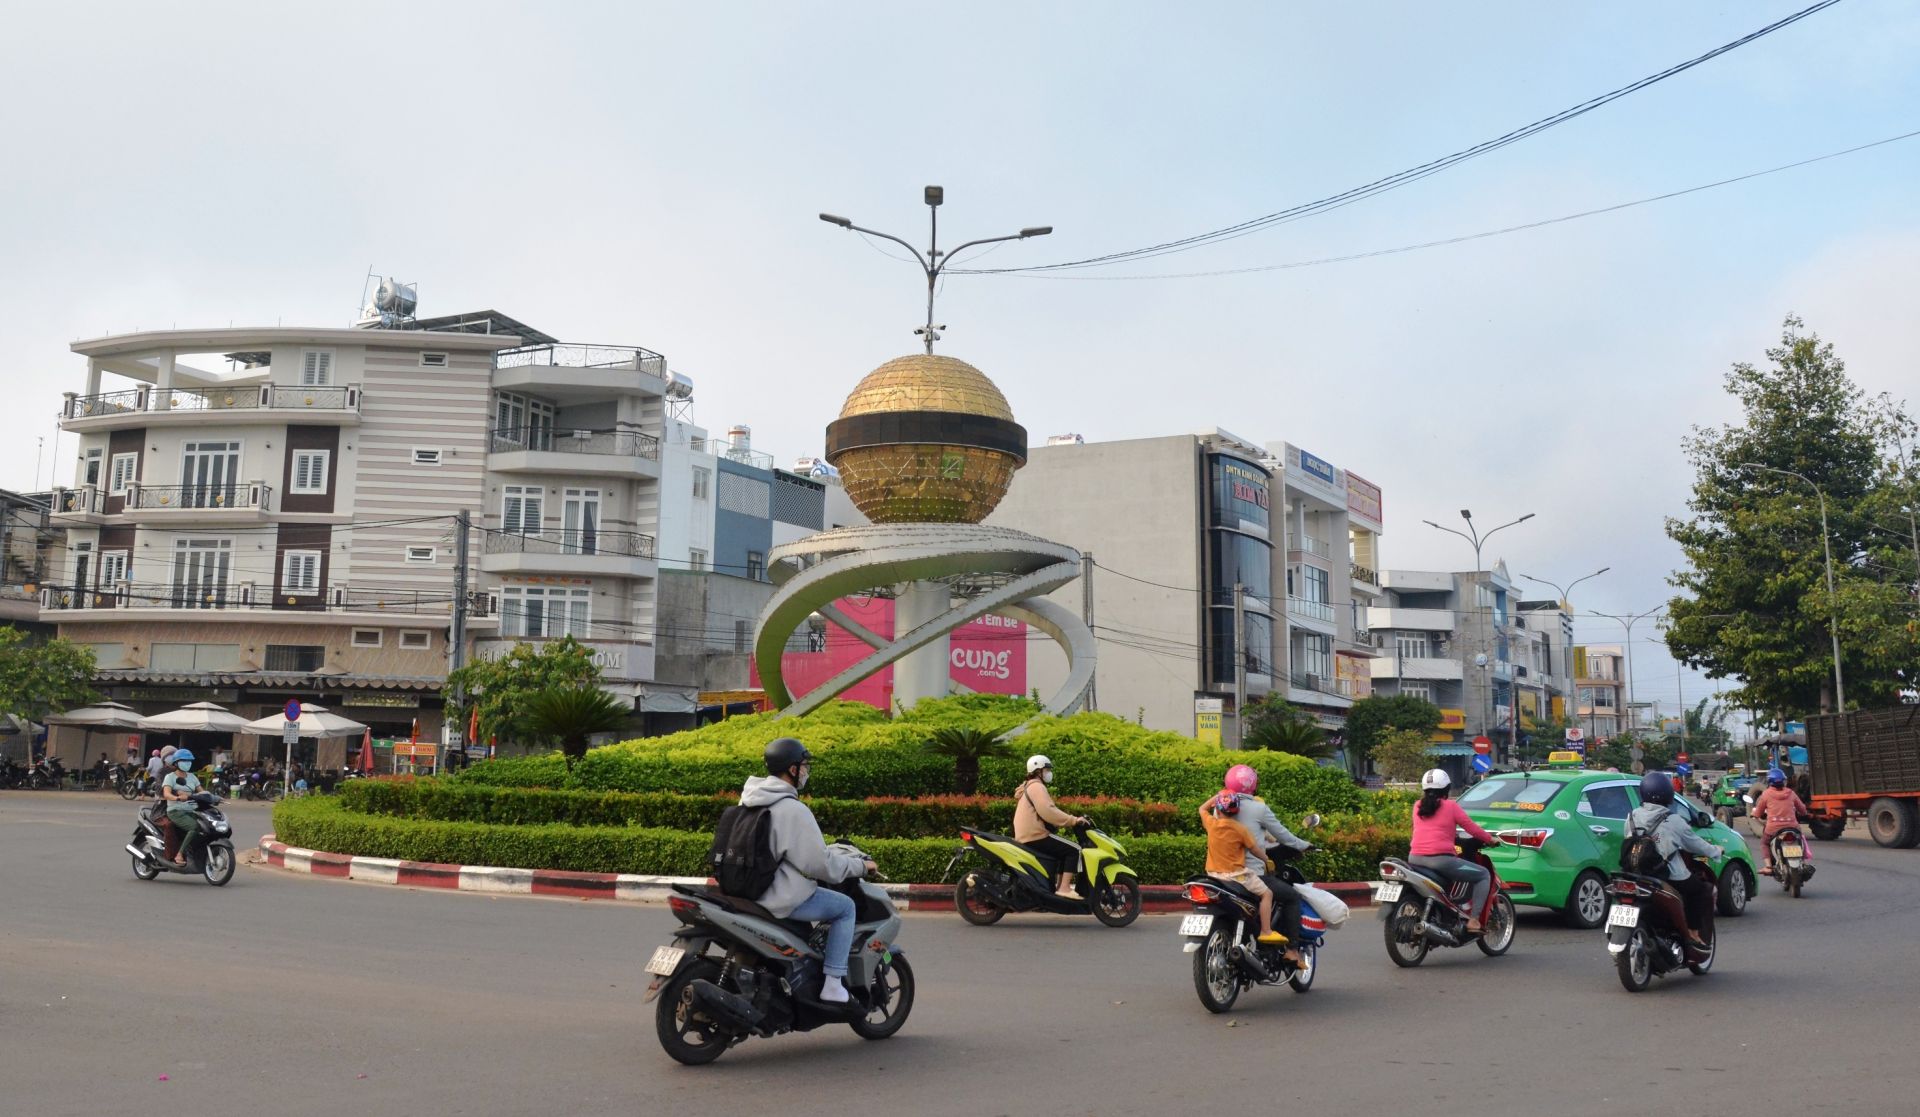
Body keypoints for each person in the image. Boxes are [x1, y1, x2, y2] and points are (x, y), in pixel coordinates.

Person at [736, 737, 873, 1005]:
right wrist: (861, 866)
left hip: (748, 889)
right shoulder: (792, 809)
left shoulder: (749, 800)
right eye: (804, 766)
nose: (806, 771)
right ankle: (833, 984)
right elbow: (821, 865)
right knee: (845, 908)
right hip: (778, 896)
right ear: (793, 769)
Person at [1627, 771, 1725, 947]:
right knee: (1702, 890)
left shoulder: (1631, 817)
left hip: (1637, 873)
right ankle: (1693, 933)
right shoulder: (1674, 820)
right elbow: (1695, 844)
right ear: (1667, 793)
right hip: (1668, 875)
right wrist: (1716, 851)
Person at [1223, 764, 1307, 961]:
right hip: (1249, 873)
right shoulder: (1259, 808)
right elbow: (1284, 836)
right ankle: (1292, 950)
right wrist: (1305, 845)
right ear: (1252, 785)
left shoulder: (1220, 808)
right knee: (1292, 897)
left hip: (1221, 873)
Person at [1408, 769, 1498, 934]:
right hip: (1441, 861)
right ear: (1447, 789)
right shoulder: (1451, 806)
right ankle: (1474, 920)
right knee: (1483, 875)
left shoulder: (1417, 806)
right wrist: (1489, 839)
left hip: (1414, 858)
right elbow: (1471, 828)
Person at [1200, 790, 1290, 949]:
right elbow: (1255, 849)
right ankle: (1266, 931)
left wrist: (1217, 796)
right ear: (1237, 811)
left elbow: (1201, 809)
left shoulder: (1212, 824)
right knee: (1267, 894)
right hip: (1235, 875)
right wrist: (1267, 860)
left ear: (1218, 810)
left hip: (1213, 875)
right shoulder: (1240, 829)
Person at [1013, 755, 1088, 899]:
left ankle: (1059, 888)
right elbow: (1048, 811)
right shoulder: (1036, 787)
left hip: (1028, 835)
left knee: (1062, 852)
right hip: (1035, 835)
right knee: (1074, 850)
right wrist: (1073, 820)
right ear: (1038, 771)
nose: (1049, 773)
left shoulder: (1028, 786)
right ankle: (1064, 888)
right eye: (1046, 770)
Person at [1750, 767, 1811, 875]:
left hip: (1773, 829)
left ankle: (1768, 867)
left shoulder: (1766, 794)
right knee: (1800, 838)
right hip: (1793, 827)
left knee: (1764, 843)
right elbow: (1802, 809)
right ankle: (1804, 862)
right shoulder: (1791, 793)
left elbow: (1758, 812)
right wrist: (1803, 812)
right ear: (1783, 781)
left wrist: (1754, 814)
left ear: (1770, 782)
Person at [160, 748, 204, 867]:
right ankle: (179, 855)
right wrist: (177, 798)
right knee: (194, 827)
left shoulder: (192, 777)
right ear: (176, 763)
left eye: (189, 761)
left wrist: (214, 797)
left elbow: (202, 791)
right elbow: (166, 794)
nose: (187, 763)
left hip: (192, 810)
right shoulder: (170, 777)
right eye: (184, 761)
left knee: (206, 827)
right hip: (176, 811)